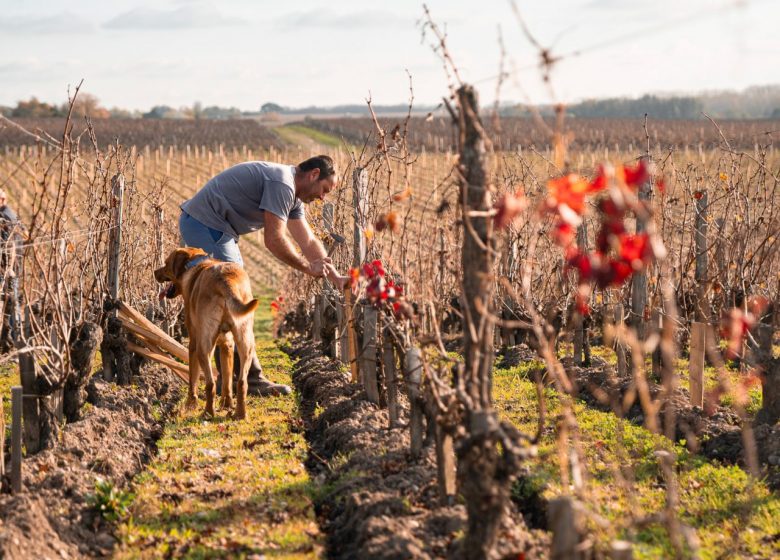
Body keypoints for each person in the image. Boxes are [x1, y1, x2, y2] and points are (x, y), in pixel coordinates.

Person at [178, 155, 348, 396]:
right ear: (314, 174)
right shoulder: (282, 184)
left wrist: (336, 278)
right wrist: (306, 267)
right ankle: (249, 378)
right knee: (235, 295)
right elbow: (274, 239)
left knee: (231, 297)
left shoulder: (292, 196)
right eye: (324, 190)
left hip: (212, 226)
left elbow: (308, 241)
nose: (323, 197)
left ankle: (233, 377)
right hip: (205, 224)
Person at [0, 189, 22, 351]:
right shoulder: (8, 214)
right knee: (11, 302)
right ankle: (13, 339)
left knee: (11, 302)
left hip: (8, 268)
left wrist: (7, 270)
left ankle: (14, 339)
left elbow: (9, 246)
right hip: (10, 267)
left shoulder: (6, 217)